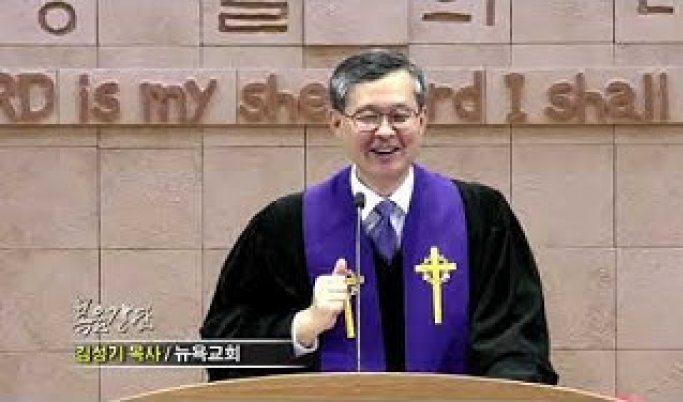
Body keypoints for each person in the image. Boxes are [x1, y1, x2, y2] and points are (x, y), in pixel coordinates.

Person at [200, 49, 558, 384]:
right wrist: (303, 327)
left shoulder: (481, 215)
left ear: (422, 121)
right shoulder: (285, 225)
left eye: (400, 116)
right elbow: (220, 348)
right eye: (368, 117)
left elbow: (518, 343)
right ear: (336, 123)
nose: (385, 132)